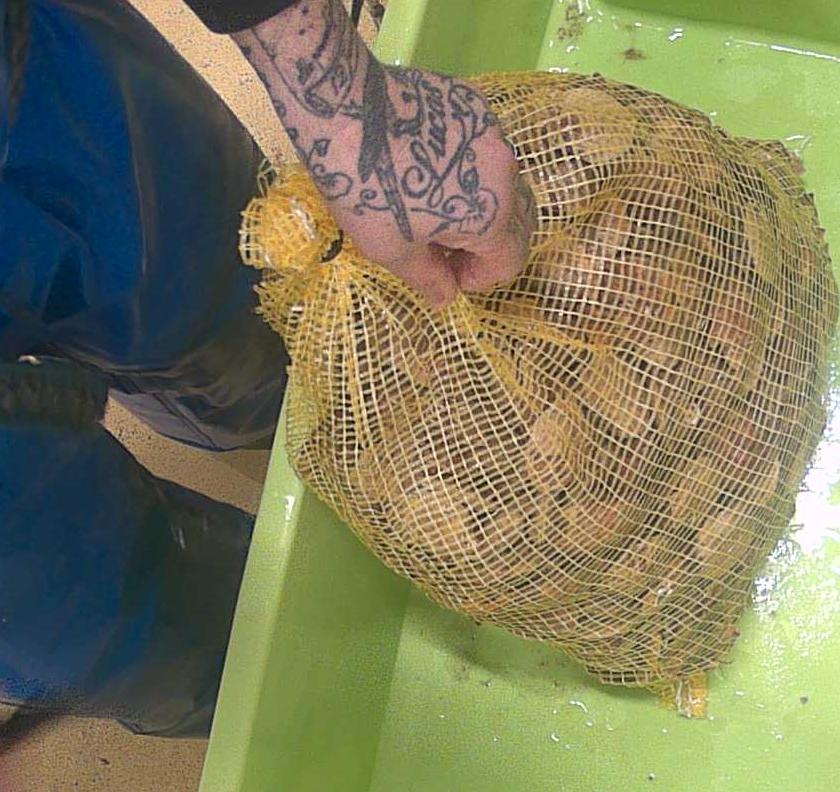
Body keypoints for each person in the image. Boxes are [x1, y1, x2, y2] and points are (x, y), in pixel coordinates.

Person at [0, 0, 533, 739]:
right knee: (127, 627)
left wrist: (347, 101)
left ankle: (290, 421)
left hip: (23, 84)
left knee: (227, 301)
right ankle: (312, 687)